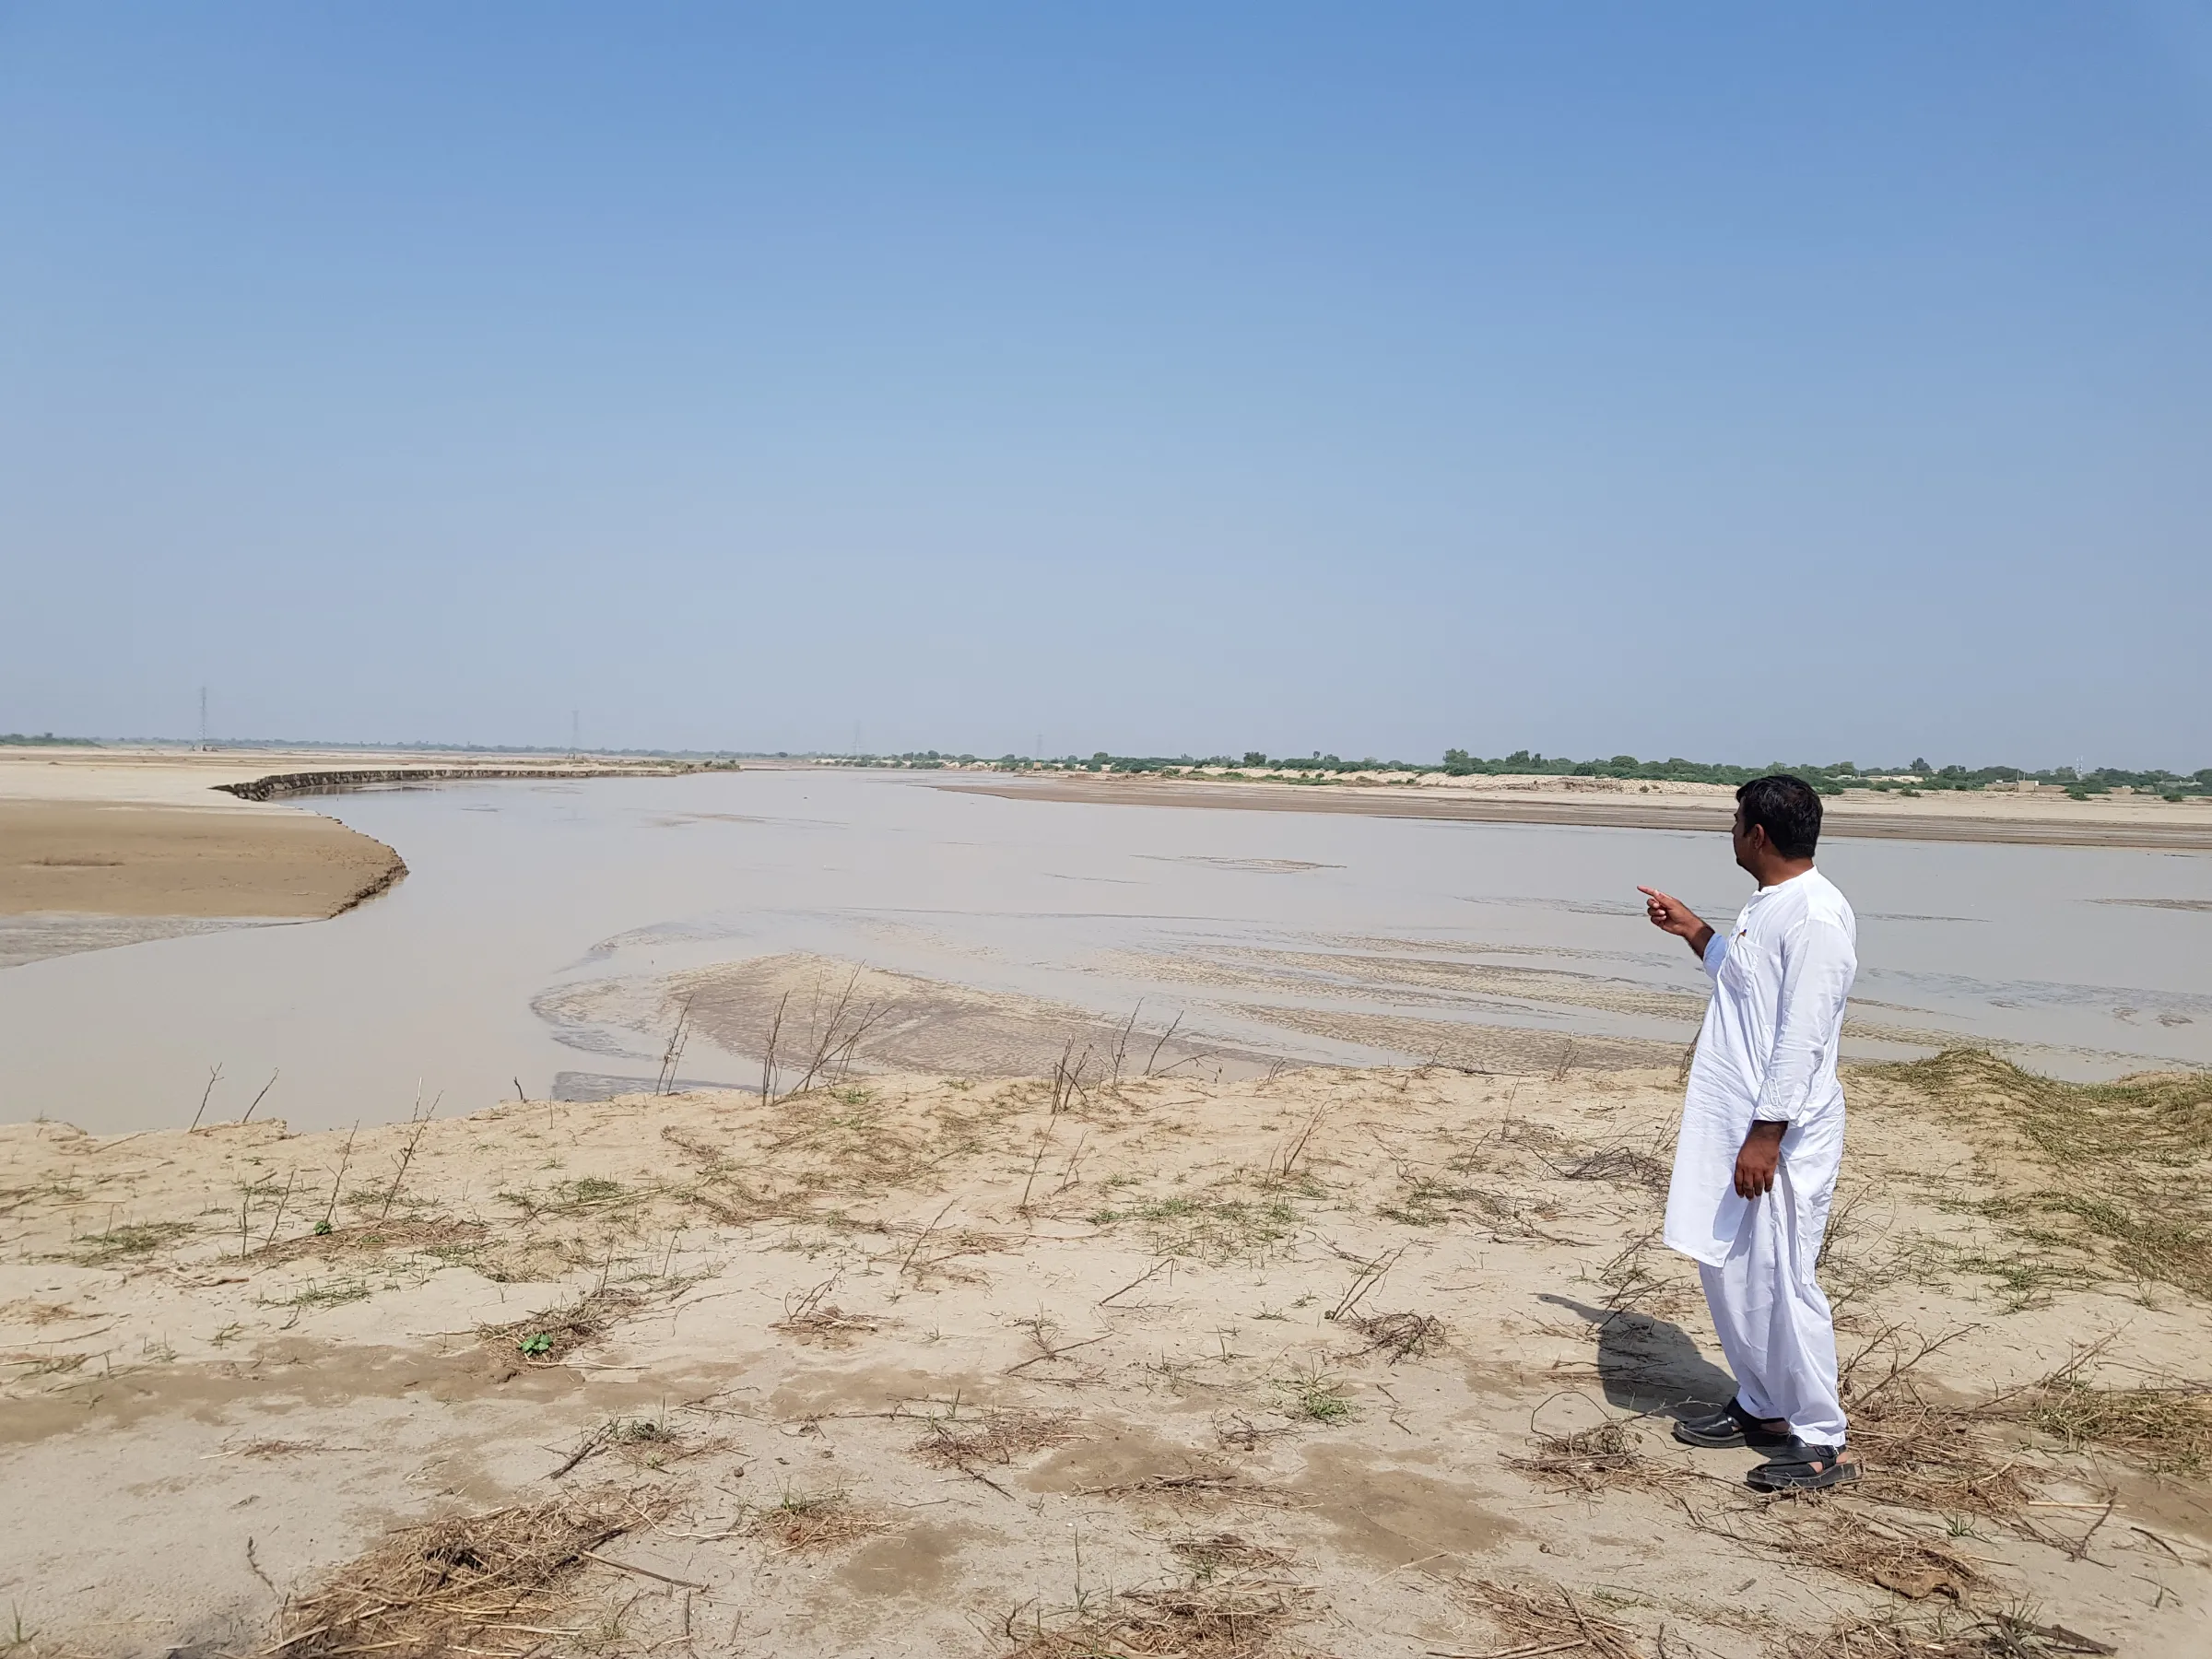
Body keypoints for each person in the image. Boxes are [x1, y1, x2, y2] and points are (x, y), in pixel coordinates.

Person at [1637, 773, 1858, 1491]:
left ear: (1757, 835)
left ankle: (1824, 1440)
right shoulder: (1770, 905)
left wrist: (1767, 1134)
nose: (1730, 833)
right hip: (1737, 1122)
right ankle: (1762, 1406)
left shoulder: (1817, 917)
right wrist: (1696, 931)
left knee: (1785, 1277)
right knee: (1728, 1263)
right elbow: (1748, 986)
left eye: (1735, 822)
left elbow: (1802, 1035)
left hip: (1781, 1134)